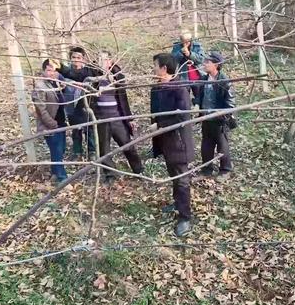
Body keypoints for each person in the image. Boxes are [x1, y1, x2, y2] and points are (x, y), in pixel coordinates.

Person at [150, 53, 195, 237]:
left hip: (178, 141)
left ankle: (185, 217)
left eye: (155, 65)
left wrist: (159, 125)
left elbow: (182, 116)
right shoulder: (156, 88)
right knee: (173, 175)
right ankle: (177, 203)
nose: (152, 69)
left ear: (164, 68)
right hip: (165, 141)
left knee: (182, 179)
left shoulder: (179, 88)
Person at [93, 51, 143, 184]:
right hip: (101, 119)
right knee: (104, 149)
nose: (101, 62)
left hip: (117, 117)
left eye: (104, 60)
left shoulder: (117, 76)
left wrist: (129, 118)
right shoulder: (92, 76)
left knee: (127, 144)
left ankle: (138, 170)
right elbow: (74, 73)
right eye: (99, 59)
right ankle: (110, 175)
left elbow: (123, 100)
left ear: (110, 61)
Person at [196, 51, 236, 179]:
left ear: (216, 65)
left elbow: (230, 102)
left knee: (222, 145)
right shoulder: (203, 79)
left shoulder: (224, 81)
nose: (205, 64)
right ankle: (206, 170)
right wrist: (197, 105)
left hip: (219, 120)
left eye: (208, 62)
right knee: (206, 144)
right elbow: (198, 96)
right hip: (205, 118)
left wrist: (222, 115)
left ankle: (225, 170)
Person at [56, 47, 98, 161]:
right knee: (76, 129)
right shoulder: (65, 72)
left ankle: (92, 151)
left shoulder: (89, 71)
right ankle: (77, 152)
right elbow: (61, 83)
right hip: (71, 104)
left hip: (87, 104)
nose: (76, 60)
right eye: (73, 57)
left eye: (79, 57)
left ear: (83, 59)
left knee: (89, 129)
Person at [32, 59, 69, 184]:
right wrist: (52, 124)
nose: (51, 73)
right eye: (48, 70)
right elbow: (41, 109)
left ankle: (55, 173)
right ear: (43, 71)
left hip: (60, 122)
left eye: (54, 70)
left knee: (60, 149)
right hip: (51, 125)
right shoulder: (40, 86)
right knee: (57, 150)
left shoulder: (56, 83)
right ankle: (62, 178)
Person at [171, 30, 206, 101]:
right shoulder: (176, 47)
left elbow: (201, 59)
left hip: (197, 76)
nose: (186, 43)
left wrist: (190, 54)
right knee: (184, 99)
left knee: (200, 98)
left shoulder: (197, 46)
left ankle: (201, 110)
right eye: (183, 41)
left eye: (187, 41)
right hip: (183, 77)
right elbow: (173, 60)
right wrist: (181, 52)